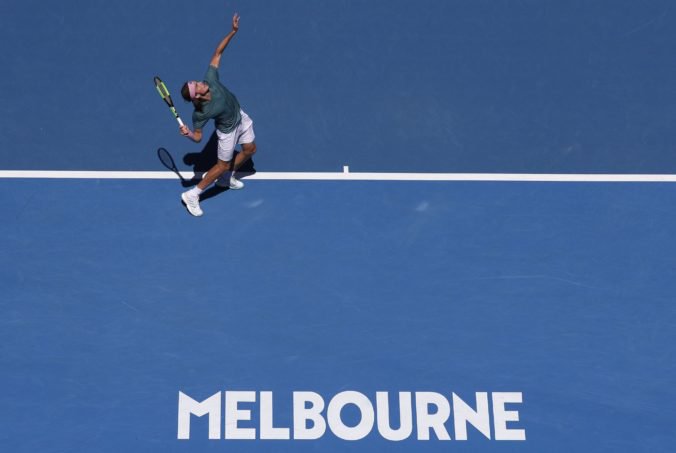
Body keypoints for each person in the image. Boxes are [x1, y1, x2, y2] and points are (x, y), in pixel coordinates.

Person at [179, 12, 257, 217]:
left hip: (240, 117)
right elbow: (198, 138)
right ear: (198, 95)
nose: (200, 82)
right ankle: (193, 194)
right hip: (227, 131)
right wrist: (188, 133)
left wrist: (232, 32)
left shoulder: (210, 79)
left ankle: (225, 179)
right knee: (221, 165)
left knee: (250, 149)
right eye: (197, 85)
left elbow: (217, 53)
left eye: (197, 82)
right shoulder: (201, 113)